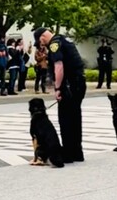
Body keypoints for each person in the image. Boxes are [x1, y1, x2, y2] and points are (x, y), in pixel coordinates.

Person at [35, 27, 86, 163]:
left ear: (42, 38)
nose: (42, 46)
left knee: (65, 120)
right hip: (79, 82)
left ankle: (68, 154)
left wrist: (57, 88)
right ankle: (77, 153)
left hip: (68, 85)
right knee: (75, 118)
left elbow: (59, 66)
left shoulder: (54, 45)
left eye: (40, 43)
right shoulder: (65, 39)